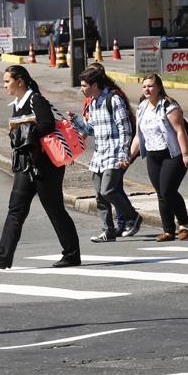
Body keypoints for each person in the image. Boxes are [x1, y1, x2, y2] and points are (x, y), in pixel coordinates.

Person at [0, 65, 81, 269]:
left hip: (46, 166)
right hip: (26, 166)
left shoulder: (35, 99)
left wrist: (28, 133)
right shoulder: (17, 103)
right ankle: (3, 255)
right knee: (15, 209)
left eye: (7, 81)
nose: (4, 85)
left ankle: (72, 254)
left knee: (55, 209)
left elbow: (48, 124)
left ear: (20, 81)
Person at [70, 66, 141, 243]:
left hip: (114, 153)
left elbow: (125, 128)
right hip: (99, 154)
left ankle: (133, 216)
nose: (81, 89)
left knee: (108, 189)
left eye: (84, 85)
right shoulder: (93, 103)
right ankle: (107, 231)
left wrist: (125, 154)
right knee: (100, 196)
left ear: (94, 85)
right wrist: (76, 122)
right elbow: (91, 129)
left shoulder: (114, 99)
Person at [123, 74, 188, 242]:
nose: (147, 89)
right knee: (161, 193)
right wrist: (129, 156)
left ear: (159, 88)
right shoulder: (141, 107)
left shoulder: (169, 106)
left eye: (150, 86)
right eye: (144, 87)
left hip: (173, 154)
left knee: (167, 190)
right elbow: (139, 137)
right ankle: (168, 230)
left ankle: (184, 222)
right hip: (153, 155)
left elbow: (180, 131)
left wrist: (185, 154)